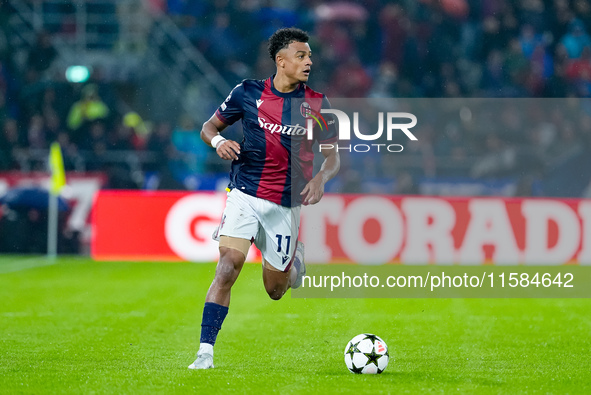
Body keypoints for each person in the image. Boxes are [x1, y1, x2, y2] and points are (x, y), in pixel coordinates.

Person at [189, 27, 340, 370]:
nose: (309, 62)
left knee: (275, 290)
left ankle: (293, 262)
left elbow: (333, 156)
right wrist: (218, 143)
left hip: (285, 204)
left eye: (310, 56)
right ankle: (205, 353)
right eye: (302, 56)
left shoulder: (316, 103)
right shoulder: (247, 92)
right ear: (281, 60)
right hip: (244, 193)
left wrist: (320, 177)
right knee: (227, 266)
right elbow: (208, 127)